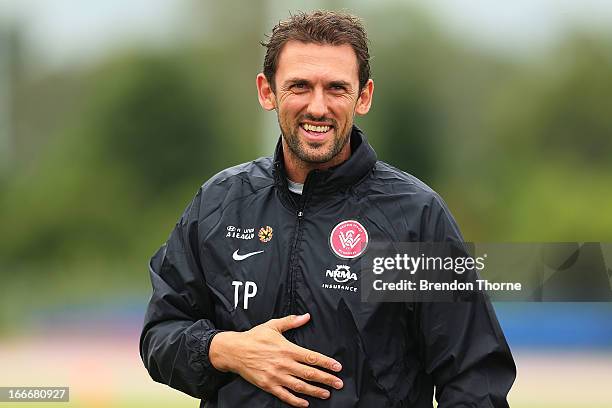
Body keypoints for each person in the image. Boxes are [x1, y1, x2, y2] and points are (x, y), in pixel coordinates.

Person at [139, 10, 516, 408]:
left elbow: (475, 377)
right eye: (299, 86)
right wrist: (224, 349)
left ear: (364, 95)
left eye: (336, 88)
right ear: (267, 92)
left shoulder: (414, 217)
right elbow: (160, 335)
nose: (317, 107)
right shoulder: (220, 203)